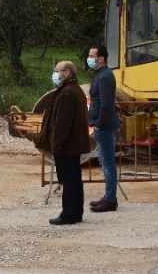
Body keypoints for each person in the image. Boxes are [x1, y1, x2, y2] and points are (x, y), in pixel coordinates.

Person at [35, 60, 92, 225]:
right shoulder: (74, 90)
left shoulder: (67, 92)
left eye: (57, 70)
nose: (55, 73)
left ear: (66, 72)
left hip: (66, 146)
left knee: (68, 181)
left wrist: (56, 145)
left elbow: (62, 124)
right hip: (72, 145)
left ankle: (68, 214)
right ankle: (76, 212)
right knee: (74, 180)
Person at [87, 44, 120, 212]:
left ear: (101, 58)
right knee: (103, 161)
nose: (90, 58)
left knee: (108, 163)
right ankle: (108, 196)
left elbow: (106, 105)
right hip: (101, 125)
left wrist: (98, 124)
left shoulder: (105, 76)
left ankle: (110, 200)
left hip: (104, 126)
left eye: (92, 56)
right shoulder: (100, 75)